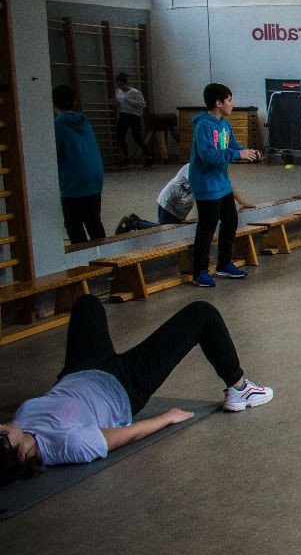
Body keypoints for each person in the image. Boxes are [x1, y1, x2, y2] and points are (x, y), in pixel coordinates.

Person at [0, 295, 273, 485]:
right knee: (202, 315)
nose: (2, 427)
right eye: (3, 435)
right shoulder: (69, 444)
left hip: (78, 370)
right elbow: (126, 435)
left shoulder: (18, 428)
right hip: (123, 386)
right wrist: (166, 418)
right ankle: (240, 389)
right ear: (21, 455)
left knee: (87, 303)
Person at [189, 83, 262, 288]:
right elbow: (208, 155)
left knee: (230, 221)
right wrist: (237, 155)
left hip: (222, 183)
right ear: (218, 102)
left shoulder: (224, 125)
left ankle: (223, 263)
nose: (232, 104)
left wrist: (248, 152)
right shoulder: (204, 125)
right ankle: (200, 271)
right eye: (229, 100)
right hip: (206, 184)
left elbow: (232, 146)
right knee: (207, 227)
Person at [114, 165, 255, 235]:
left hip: (181, 207)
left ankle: (137, 221)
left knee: (170, 230)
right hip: (170, 202)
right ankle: (134, 224)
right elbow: (204, 191)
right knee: (166, 232)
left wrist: (241, 202)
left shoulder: (214, 170)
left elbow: (227, 186)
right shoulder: (193, 167)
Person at [52, 84, 106, 245]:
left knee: (73, 224)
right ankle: (104, 256)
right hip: (95, 177)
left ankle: (81, 261)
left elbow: (52, 153)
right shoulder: (83, 120)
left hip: (75, 180)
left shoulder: (59, 124)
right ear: (74, 102)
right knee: (93, 220)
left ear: (53, 104)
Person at [113, 72, 151, 168]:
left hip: (134, 116)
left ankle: (150, 155)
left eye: (121, 85)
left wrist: (128, 100)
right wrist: (115, 103)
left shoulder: (135, 92)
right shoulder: (118, 91)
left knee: (137, 138)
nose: (120, 87)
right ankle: (126, 157)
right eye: (118, 85)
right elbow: (119, 104)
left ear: (126, 83)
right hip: (123, 114)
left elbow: (143, 105)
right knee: (120, 137)